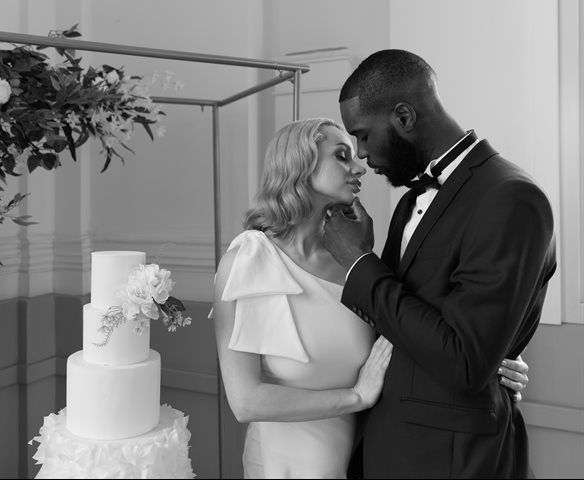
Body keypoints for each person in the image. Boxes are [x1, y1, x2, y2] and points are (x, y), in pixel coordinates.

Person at [211, 117, 531, 478]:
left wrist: (492, 358)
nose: (359, 165)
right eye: (342, 155)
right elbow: (245, 401)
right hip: (283, 466)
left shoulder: (357, 265)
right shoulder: (250, 259)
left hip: (364, 461)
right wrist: (356, 397)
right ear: (300, 164)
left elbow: (412, 333)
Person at [323, 49, 556, 478]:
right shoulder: (410, 201)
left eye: (363, 135)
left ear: (404, 117)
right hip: (385, 445)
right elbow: (400, 328)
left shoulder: (512, 198)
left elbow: (466, 361)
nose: (361, 154)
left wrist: (358, 263)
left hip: (449, 460)